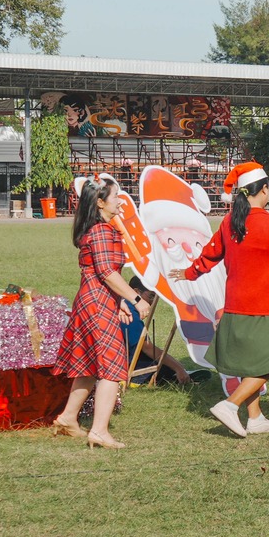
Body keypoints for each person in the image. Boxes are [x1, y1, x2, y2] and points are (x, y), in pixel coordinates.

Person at [182, 162, 269, 438]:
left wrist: (190, 272)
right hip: (266, 307)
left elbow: (210, 253)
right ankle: (230, 405)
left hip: (235, 305)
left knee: (249, 365)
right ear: (265, 190)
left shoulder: (230, 221)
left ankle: (255, 418)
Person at [53, 178, 151, 450]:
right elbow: (107, 273)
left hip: (94, 300)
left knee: (89, 365)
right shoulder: (101, 232)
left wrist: (119, 301)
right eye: (116, 196)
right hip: (97, 303)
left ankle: (67, 418)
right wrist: (135, 299)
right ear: (100, 202)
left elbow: (101, 273)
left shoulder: (98, 230)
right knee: (111, 367)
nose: (120, 201)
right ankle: (99, 431)